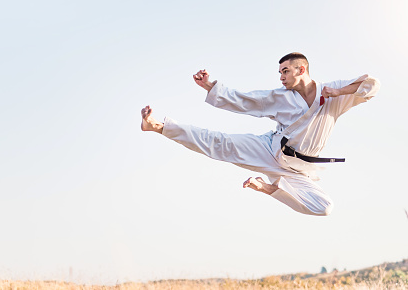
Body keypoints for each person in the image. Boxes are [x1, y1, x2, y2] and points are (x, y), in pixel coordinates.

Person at [140, 52, 380, 216]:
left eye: (285, 71)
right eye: (280, 73)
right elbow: (247, 101)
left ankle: (267, 189)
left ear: (301, 69)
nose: (281, 77)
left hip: (299, 170)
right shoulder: (280, 97)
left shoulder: (332, 94)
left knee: (324, 207)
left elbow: (372, 85)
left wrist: (338, 92)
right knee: (219, 143)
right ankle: (159, 126)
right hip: (270, 150)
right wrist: (210, 86)